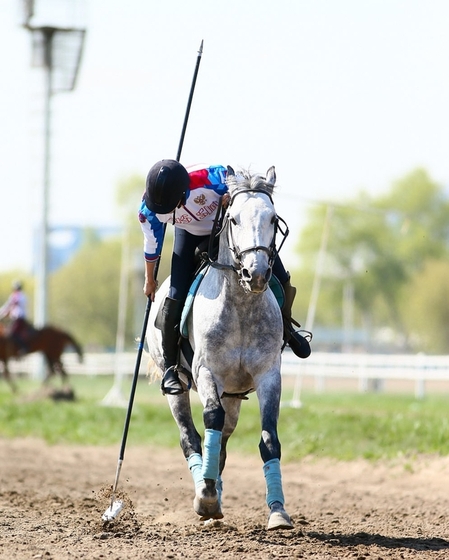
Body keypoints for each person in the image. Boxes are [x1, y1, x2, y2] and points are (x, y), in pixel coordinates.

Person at [139, 159, 311, 396]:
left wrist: (231, 195)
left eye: (171, 205)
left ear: (184, 191)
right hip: (188, 236)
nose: (165, 211)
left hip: (229, 231)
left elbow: (239, 185)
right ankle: (170, 368)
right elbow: (152, 247)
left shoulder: (210, 179)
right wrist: (150, 280)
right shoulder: (149, 211)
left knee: (281, 278)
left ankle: (288, 329)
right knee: (176, 293)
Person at [0, 281, 29, 354]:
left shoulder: (19, 296)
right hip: (14, 318)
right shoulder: (17, 296)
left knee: (12, 333)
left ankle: (24, 347)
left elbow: (10, 306)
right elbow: (8, 307)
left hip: (19, 318)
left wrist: (2, 312)